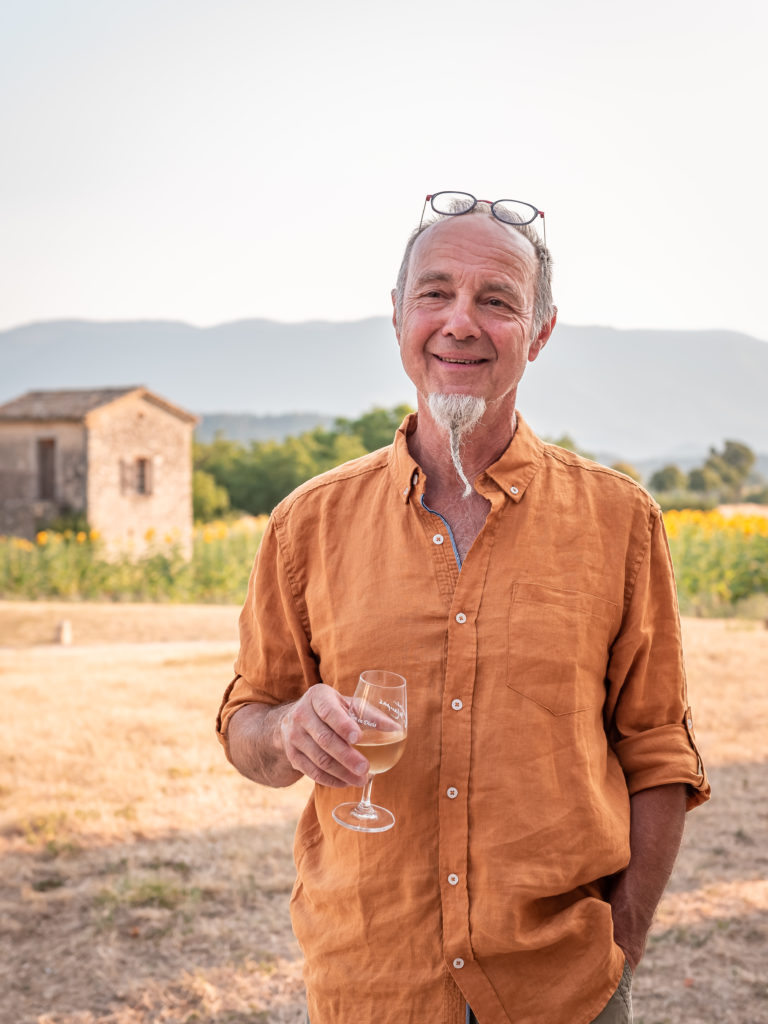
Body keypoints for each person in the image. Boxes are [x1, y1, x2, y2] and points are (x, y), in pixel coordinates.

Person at [216, 192, 709, 1024]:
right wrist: (284, 727)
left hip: (560, 991)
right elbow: (245, 724)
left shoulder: (621, 521)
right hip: (370, 984)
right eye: (435, 294)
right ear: (399, 318)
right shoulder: (307, 524)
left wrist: (621, 950)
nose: (460, 322)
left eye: (497, 301)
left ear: (541, 332)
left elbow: (658, 751)